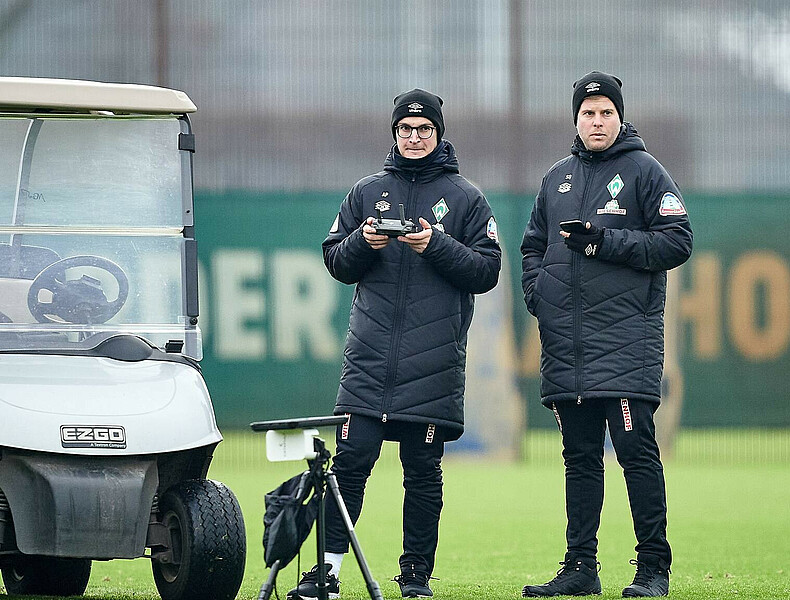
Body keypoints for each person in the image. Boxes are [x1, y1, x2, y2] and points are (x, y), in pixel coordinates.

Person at [290, 89, 502, 600]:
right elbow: (336, 261)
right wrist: (365, 240)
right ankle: (329, 573)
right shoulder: (367, 192)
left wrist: (436, 245)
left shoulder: (467, 197)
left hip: (432, 365)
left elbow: (487, 270)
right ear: (394, 133)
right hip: (369, 361)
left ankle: (415, 577)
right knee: (349, 467)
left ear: (439, 134)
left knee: (423, 475)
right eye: (405, 129)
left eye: (424, 129)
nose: (413, 137)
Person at [520, 71, 693, 598]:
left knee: (636, 454)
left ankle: (652, 569)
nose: (597, 121)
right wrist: (540, 296)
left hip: (625, 345)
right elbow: (531, 248)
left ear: (620, 117)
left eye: (606, 113)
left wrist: (604, 243)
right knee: (579, 460)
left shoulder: (645, 172)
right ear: (576, 119)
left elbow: (677, 241)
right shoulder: (556, 180)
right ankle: (580, 567)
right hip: (567, 347)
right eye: (588, 113)